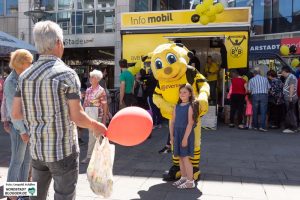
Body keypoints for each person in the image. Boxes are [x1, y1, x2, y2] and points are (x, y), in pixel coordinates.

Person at [11, 21, 107, 200]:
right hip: (63, 151)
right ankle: (12, 192)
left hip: (37, 150)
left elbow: (15, 114)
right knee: (64, 195)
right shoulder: (66, 74)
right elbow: (77, 117)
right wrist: (96, 125)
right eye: (62, 42)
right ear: (57, 43)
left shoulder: (24, 76)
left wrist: (36, 113)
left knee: (36, 196)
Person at [1, 49, 33, 200]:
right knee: (17, 161)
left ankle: (24, 194)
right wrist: (22, 130)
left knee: (26, 161)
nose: (31, 64)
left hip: (26, 126)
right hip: (20, 128)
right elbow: (13, 109)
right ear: (21, 63)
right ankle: (12, 196)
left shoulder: (22, 78)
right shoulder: (11, 81)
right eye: (29, 62)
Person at [170, 84, 198, 189]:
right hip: (177, 133)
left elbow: (190, 123)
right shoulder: (176, 106)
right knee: (180, 158)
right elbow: (172, 122)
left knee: (185, 158)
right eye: (180, 92)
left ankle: (190, 181)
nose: (182, 94)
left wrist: (185, 138)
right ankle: (184, 177)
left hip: (186, 134)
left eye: (185, 92)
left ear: (190, 94)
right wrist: (172, 136)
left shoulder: (190, 106)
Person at [81, 69, 108, 164]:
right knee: (96, 136)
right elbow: (85, 103)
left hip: (97, 115)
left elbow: (104, 105)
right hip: (89, 114)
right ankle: (99, 156)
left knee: (93, 136)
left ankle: (90, 157)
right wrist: (83, 114)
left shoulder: (101, 91)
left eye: (92, 77)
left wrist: (104, 118)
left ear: (97, 79)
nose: (90, 78)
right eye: (90, 76)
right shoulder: (88, 90)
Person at [248, 67, 270, 132]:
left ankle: (255, 126)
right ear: (260, 73)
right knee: (263, 111)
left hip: (255, 95)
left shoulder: (251, 80)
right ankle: (262, 127)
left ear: (254, 74)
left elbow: (249, 90)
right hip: (264, 95)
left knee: (255, 111)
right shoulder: (265, 79)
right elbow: (268, 88)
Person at [281, 66, 298, 133]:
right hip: (289, 97)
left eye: (282, 72)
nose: (281, 73)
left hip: (290, 98)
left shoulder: (291, 77)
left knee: (291, 112)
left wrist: (290, 97)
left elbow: (292, 87)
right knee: (290, 112)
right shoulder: (289, 77)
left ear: (285, 71)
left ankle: (293, 127)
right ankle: (291, 126)